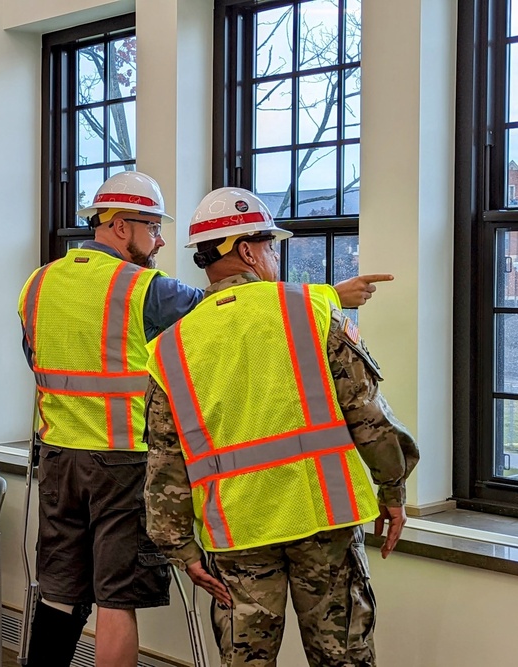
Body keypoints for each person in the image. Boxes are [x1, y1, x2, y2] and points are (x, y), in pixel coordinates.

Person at [17, 172, 392, 667]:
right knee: (115, 598)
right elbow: (229, 311)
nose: (159, 240)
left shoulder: (38, 283)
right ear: (119, 224)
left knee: (59, 591)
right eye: (151, 227)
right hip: (122, 460)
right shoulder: (142, 287)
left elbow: (35, 357)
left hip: (60, 456)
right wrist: (329, 296)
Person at [143, 187, 421, 667]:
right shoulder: (309, 311)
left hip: (236, 533)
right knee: (343, 658)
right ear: (247, 250)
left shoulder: (171, 349)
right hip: (323, 522)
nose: (274, 256)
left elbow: (165, 466)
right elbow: (369, 416)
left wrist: (180, 548)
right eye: (271, 246)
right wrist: (392, 489)